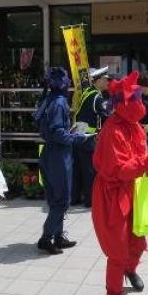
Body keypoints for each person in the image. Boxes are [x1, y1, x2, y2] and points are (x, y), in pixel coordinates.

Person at [92, 71, 148, 295]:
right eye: (135, 100)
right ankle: (113, 294)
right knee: (118, 246)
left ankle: (130, 269)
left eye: (140, 100)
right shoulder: (113, 130)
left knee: (137, 239)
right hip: (115, 195)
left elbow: (139, 157)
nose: (140, 104)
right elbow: (121, 169)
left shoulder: (135, 127)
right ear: (123, 104)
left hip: (134, 189)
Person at [34, 67, 89, 255]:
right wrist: (77, 137)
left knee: (54, 198)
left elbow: (50, 130)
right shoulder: (59, 102)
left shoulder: (48, 100)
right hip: (59, 155)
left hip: (48, 153)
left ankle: (58, 237)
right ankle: (46, 238)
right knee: (62, 200)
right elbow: (58, 132)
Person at [71, 66, 111, 207]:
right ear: (98, 80)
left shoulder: (87, 92)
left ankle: (74, 198)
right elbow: (107, 117)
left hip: (77, 136)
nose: (108, 82)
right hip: (87, 139)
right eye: (106, 80)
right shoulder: (97, 97)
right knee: (89, 170)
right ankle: (90, 200)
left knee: (77, 170)